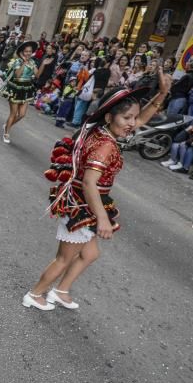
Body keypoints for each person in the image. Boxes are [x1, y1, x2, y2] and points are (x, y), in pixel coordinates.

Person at [24, 75, 171, 311]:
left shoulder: (104, 132)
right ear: (109, 117)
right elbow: (89, 183)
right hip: (82, 204)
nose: (132, 123)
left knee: (90, 254)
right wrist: (102, 218)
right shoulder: (106, 145)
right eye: (127, 117)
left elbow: (141, 120)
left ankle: (60, 291)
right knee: (64, 258)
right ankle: (35, 294)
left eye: (133, 117)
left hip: (88, 202)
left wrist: (161, 95)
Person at [1, 40, 39, 144]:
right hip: (16, 88)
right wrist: (24, 63)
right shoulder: (17, 61)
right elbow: (17, 75)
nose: (28, 53)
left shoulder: (32, 62)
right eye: (26, 51)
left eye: (30, 51)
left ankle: (7, 125)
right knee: (13, 113)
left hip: (26, 88)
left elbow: (37, 75)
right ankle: (7, 132)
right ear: (22, 52)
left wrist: (43, 64)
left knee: (22, 114)